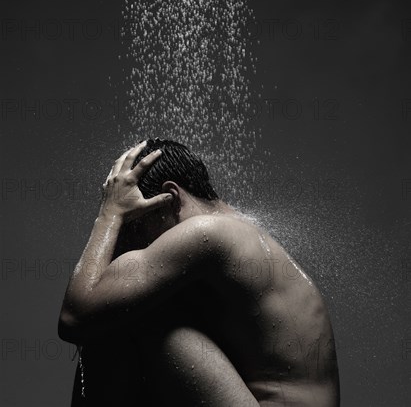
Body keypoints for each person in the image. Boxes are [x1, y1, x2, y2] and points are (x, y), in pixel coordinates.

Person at [58, 138, 340, 406]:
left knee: (121, 311)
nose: (133, 243)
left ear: (170, 200)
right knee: (120, 303)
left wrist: (109, 214)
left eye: (135, 227)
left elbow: (76, 314)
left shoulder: (212, 232)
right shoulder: (237, 235)